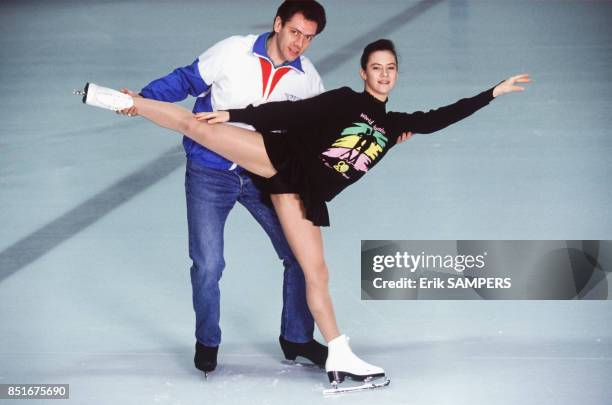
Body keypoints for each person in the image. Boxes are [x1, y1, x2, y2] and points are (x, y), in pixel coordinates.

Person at [80, 39, 530, 392]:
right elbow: (292, 112)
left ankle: (338, 353)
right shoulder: (343, 100)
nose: (384, 74)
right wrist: (233, 114)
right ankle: (124, 102)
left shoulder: (395, 127)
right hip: (281, 160)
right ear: (364, 72)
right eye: (376, 67)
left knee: (317, 273)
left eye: (390, 68)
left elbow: (442, 116)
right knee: (196, 125)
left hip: (307, 194)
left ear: (397, 74)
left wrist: (493, 92)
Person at [117, 1, 332, 375]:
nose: (299, 43)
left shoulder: (308, 80)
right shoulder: (234, 50)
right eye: (295, 32)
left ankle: (297, 337)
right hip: (210, 171)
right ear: (278, 24)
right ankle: (208, 340)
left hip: (267, 177)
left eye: (308, 38)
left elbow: (315, 133)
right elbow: (185, 81)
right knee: (208, 264)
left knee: (299, 255)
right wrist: (142, 101)